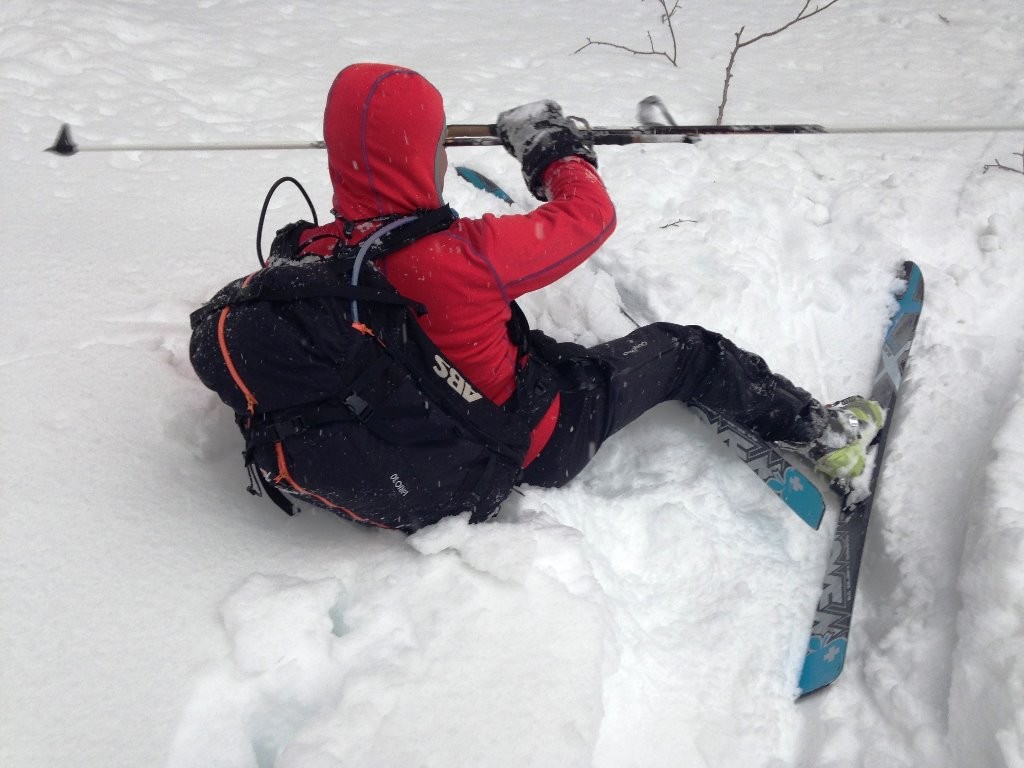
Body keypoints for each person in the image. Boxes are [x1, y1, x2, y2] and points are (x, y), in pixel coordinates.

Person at [192, 62, 882, 531]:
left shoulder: (315, 254)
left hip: (401, 436)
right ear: (418, 154)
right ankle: (824, 435)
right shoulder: (462, 256)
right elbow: (588, 218)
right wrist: (557, 152)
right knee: (688, 351)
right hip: (534, 439)